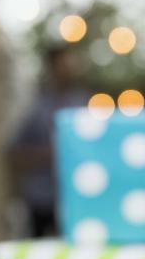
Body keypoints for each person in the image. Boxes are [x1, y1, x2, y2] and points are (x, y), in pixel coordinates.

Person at [7, 44, 89, 237]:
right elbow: (14, 151)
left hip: (76, 195)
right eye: (63, 63)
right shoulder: (36, 107)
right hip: (41, 197)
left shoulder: (83, 102)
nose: (69, 68)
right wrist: (49, 154)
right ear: (51, 66)